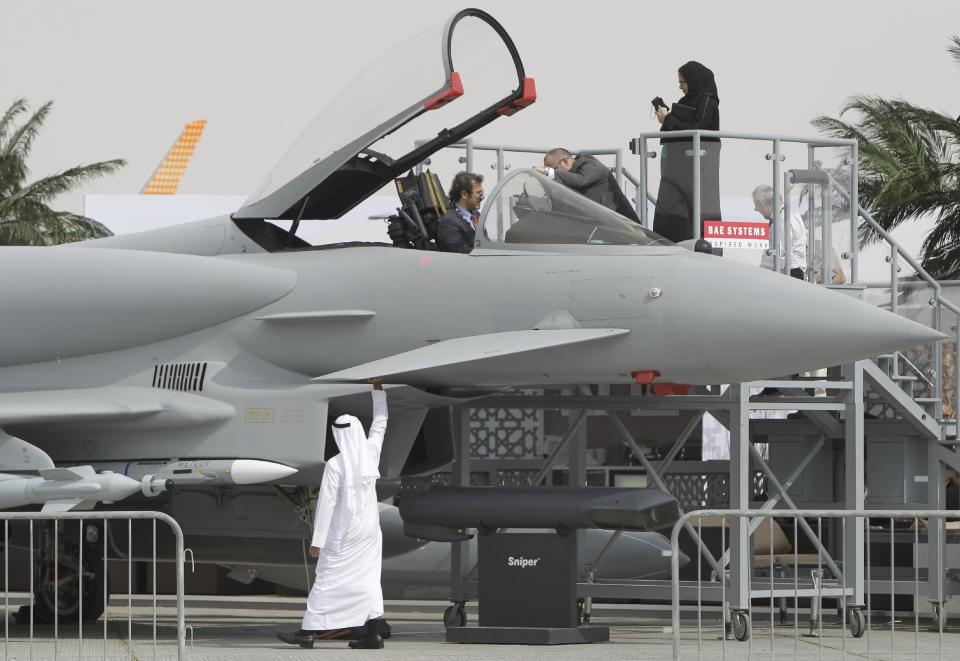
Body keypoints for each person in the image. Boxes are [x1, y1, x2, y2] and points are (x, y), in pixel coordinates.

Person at [277, 378, 390, 650]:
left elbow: (326, 504)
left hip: (343, 534)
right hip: (370, 532)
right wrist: (378, 393)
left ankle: (306, 632)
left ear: (339, 435)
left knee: (327, 579)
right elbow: (380, 423)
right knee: (369, 579)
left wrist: (318, 541)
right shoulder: (371, 452)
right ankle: (373, 631)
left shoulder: (335, 464)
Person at [652, 61, 721, 243]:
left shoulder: (707, 100)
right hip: (678, 168)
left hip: (697, 168)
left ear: (694, 80)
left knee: (694, 205)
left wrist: (668, 119)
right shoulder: (685, 101)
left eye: (683, 82)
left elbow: (697, 128)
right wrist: (666, 119)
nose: (681, 86)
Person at [535, 148, 641, 222]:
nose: (553, 173)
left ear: (566, 162)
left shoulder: (591, 165)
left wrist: (549, 172)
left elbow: (581, 180)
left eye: (553, 168)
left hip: (627, 229)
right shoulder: (569, 176)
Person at [752, 184, 807, 279]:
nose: (758, 211)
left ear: (762, 203)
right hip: (789, 273)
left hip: (783, 276)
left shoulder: (781, 220)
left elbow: (782, 257)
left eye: (757, 208)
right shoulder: (792, 215)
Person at [437, 171, 484, 253]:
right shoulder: (449, 223)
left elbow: (486, 241)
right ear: (464, 194)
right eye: (478, 193)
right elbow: (461, 254)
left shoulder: (477, 215)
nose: (482, 197)